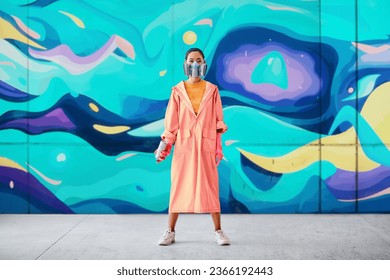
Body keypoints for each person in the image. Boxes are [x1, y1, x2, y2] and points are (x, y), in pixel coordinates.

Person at [156, 47, 230, 246]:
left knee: (210, 187)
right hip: (184, 147)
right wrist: (163, 146)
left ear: (204, 63)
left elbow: (218, 122)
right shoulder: (177, 92)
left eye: (198, 60)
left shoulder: (212, 90)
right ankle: (170, 231)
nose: (195, 64)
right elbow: (171, 124)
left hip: (206, 145)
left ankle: (218, 231)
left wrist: (218, 147)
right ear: (185, 64)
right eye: (191, 60)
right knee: (179, 187)